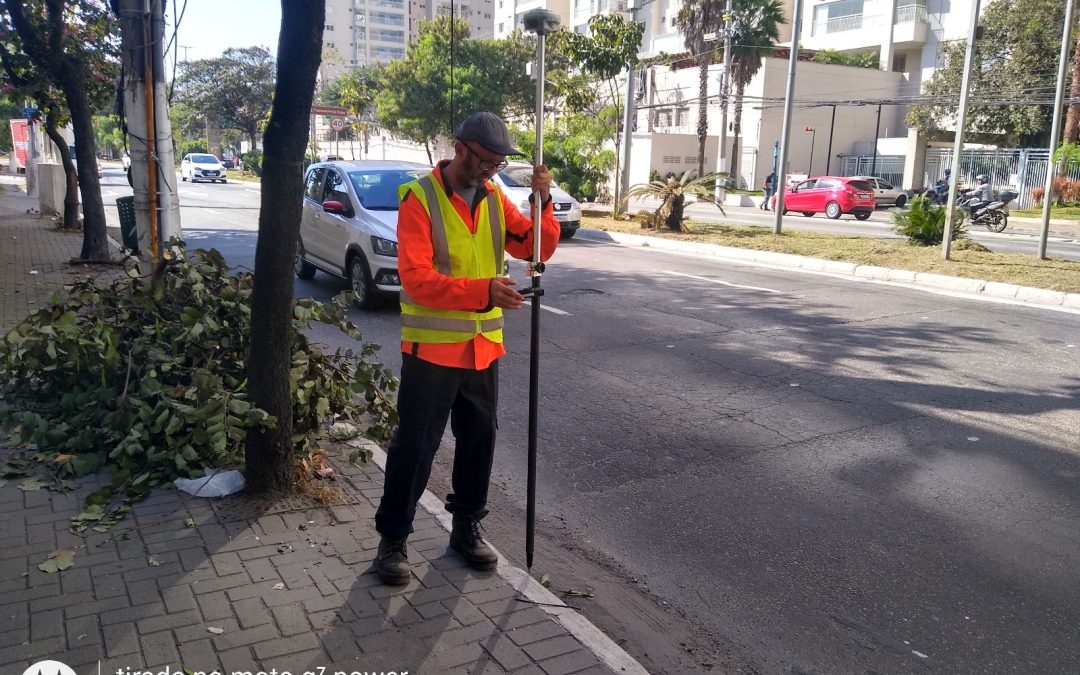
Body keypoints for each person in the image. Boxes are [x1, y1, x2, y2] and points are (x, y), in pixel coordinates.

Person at [373, 111, 561, 585]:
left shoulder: (496, 197)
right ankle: (393, 540)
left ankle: (465, 527)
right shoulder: (420, 199)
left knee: (479, 442)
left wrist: (543, 202)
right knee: (415, 447)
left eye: (498, 164)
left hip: (482, 348)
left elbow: (534, 249)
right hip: (431, 352)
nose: (490, 171)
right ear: (461, 150)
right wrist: (483, 292)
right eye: (484, 161)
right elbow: (416, 279)